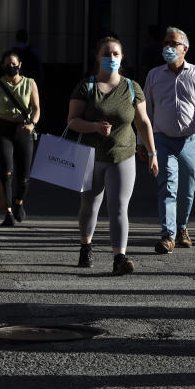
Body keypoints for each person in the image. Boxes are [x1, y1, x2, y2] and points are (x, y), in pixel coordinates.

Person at [69, 36, 158, 275]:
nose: (111, 58)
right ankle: (86, 246)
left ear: (122, 58)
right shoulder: (85, 87)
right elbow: (73, 121)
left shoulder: (131, 87)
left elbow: (143, 122)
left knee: (119, 207)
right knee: (90, 206)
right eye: (106, 54)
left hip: (123, 155)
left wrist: (152, 152)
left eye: (116, 54)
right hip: (90, 156)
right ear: (97, 57)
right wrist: (95, 127)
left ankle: (120, 257)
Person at [140, 27, 195, 253]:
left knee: (187, 190)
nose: (168, 47)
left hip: (191, 141)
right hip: (162, 140)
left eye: (173, 43)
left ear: (185, 48)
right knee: (168, 186)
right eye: (166, 43)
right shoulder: (154, 75)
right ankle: (168, 234)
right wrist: (142, 141)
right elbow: (145, 111)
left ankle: (182, 227)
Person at [0, 49, 40, 226]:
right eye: (8, 65)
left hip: (23, 129)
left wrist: (32, 124)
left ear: (20, 65)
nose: (11, 67)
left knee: (24, 176)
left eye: (14, 64)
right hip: (2, 129)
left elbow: (36, 108)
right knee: (6, 172)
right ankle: (7, 211)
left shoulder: (30, 83)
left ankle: (18, 202)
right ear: (2, 66)